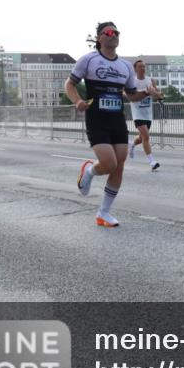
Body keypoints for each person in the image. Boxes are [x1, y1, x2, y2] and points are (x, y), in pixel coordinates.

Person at [65, 22, 160, 227]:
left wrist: (146, 93)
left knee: (119, 166)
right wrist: (78, 101)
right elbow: (69, 84)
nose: (114, 35)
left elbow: (132, 96)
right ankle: (89, 171)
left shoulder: (125, 66)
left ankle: (103, 213)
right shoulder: (89, 60)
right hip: (97, 118)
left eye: (117, 32)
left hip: (117, 119)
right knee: (109, 164)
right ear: (99, 38)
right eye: (109, 32)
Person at [128, 58, 163, 170]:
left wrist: (158, 95)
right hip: (137, 113)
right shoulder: (132, 81)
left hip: (148, 113)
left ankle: (132, 144)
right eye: (140, 67)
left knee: (142, 138)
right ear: (135, 69)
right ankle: (152, 161)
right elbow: (128, 94)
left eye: (144, 66)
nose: (142, 68)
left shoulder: (150, 80)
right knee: (146, 136)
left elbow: (158, 94)